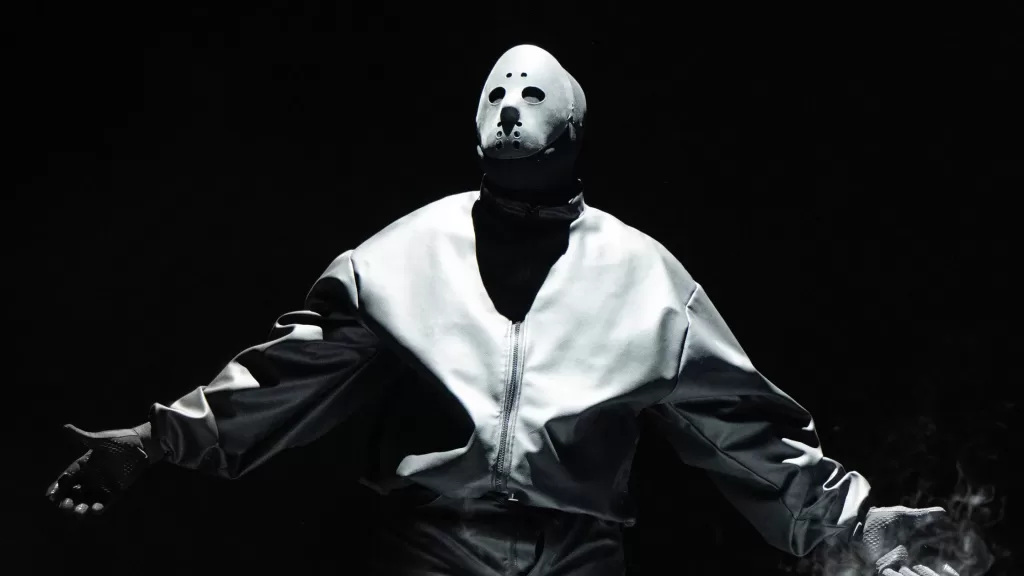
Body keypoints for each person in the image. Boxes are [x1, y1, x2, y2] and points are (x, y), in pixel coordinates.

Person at [45, 44, 960, 576]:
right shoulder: (403, 254)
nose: (512, 107)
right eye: (496, 94)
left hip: (578, 551)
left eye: (532, 94)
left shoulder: (644, 277)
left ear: (575, 123)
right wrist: (155, 439)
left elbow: (741, 426)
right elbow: (287, 374)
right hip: (434, 545)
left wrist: (859, 530)